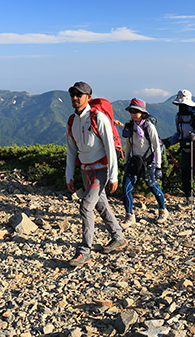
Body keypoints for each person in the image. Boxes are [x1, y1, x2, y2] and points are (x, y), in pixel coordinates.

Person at [65, 81, 126, 268]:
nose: (75, 98)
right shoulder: (72, 121)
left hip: (101, 170)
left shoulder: (98, 118)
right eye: (73, 95)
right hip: (85, 170)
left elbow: (110, 147)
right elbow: (71, 150)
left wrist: (113, 176)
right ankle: (118, 237)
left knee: (85, 206)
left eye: (79, 95)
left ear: (88, 98)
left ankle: (85, 251)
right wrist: (69, 176)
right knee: (101, 205)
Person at [120, 98, 168, 228]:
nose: (133, 113)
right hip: (134, 162)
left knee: (153, 187)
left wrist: (158, 166)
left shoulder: (148, 126)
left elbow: (156, 147)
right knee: (126, 188)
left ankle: (163, 210)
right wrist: (126, 162)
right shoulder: (130, 127)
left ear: (142, 113)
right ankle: (129, 215)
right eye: (131, 110)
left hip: (148, 162)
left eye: (136, 111)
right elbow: (128, 146)